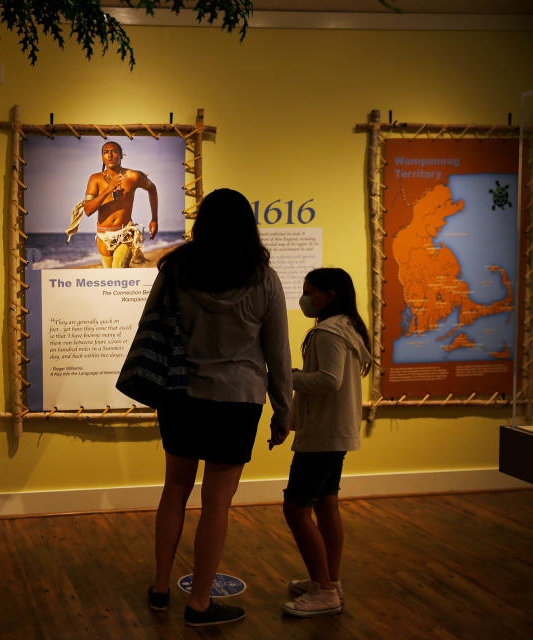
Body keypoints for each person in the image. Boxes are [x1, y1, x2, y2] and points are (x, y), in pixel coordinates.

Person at [145, 189, 292, 626]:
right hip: (238, 400)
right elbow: (278, 353)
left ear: (202, 225)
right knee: (217, 502)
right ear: (248, 226)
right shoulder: (263, 278)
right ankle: (200, 603)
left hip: (182, 394)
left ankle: (158, 587)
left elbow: (149, 328)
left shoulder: (175, 272)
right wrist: (284, 410)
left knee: (175, 489)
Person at [268, 267, 372, 618]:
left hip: (324, 436)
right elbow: (324, 384)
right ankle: (331, 580)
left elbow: (328, 381)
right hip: (333, 432)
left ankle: (323, 589)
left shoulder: (328, 332)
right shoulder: (346, 328)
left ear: (330, 296)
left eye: (310, 291)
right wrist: (291, 421)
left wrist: (288, 378)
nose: (305, 297)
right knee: (326, 505)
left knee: (296, 509)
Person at [80, 141, 158, 268]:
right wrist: (108, 189)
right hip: (103, 236)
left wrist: (154, 219)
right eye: (106, 152)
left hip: (125, 234)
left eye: (114, 151)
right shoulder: (95, 179)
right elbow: (88, 210)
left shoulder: (133, 176)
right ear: (102, 158)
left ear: (121, 155)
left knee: (117, 271)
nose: (110, 155)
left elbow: (152, 189)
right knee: (112, 280)